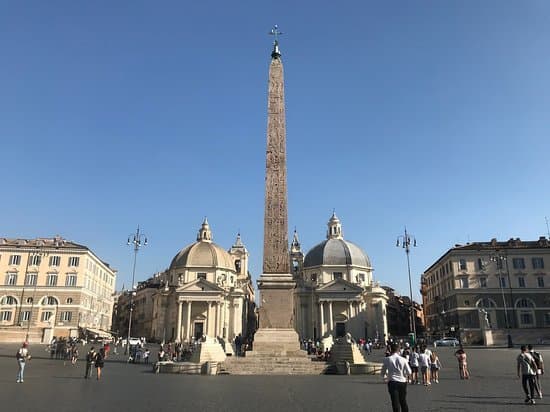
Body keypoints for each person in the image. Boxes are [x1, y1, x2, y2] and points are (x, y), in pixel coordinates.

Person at [381, 343, 412, 412]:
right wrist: (407, 378)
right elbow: (409, 372)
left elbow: (382, 372)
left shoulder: (387, 359)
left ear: (391, 349)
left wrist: (384, 378)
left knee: (395, 402)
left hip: (392, 381)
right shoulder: (403, 359)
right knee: (403, 401)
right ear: (398, 350)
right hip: (402, 382)